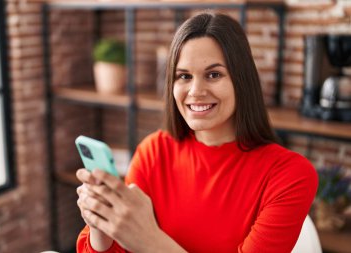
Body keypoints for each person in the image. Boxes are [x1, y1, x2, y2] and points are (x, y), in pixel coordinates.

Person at [75, 12, 318, 253]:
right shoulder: (153, 152)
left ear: (241, 80)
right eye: (184, 76)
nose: (195, 91)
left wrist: (150, 241)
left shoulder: (290, 175)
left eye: (214, 75)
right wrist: (102, 227)